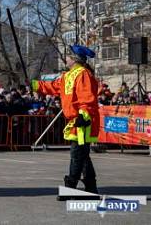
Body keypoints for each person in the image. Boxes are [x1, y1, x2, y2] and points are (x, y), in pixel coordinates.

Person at [32, 44, 99, 198]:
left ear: (74, 59)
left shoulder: (83, 74)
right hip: (76, 120)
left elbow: (87, 97)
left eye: (67, 56)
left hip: (83, 121)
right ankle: (91, 188)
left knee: (77, 155)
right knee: (82, 156)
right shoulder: (67, 75)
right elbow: (52, 86)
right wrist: (35, 85)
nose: (65, 58)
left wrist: (83, 115)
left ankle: (71, 187)